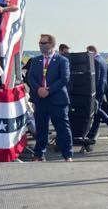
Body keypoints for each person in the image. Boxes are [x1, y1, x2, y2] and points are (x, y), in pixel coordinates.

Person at [26, 33, 73, 162]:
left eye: (44, 43)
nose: (41, 45)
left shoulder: (62, 60)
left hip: (57, 99)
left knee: (62, 128)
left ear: (52, 44)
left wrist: (49, 90)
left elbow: (65, 78)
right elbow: (30, 77)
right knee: (41, 128)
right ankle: (39, 154)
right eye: (40, 43)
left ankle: (67, 154)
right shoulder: (36, 61)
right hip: (41, 100)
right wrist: (38, 89)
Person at [82, 45, 108, 152]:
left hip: (96, 91)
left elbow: (95, 79)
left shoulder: (96, 61)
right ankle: (93, 134)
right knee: (96, 112)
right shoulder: (101, 60)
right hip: (101, 90)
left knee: (95, 110)